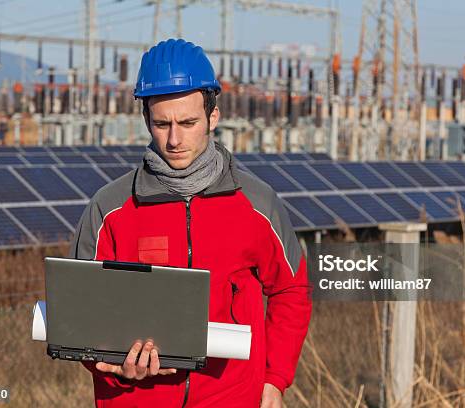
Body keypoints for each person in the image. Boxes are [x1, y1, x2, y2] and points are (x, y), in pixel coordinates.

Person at [69, 39, 311, 408]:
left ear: (213, 116)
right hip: (135, 400)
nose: (174, 139)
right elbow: (79, 313)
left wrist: (275, 379)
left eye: (188, 122)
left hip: (232, 398)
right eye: (162, 124)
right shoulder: (109, 210)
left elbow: (291, 290)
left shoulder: (257, 204)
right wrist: (114, 369)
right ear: (145, 118)